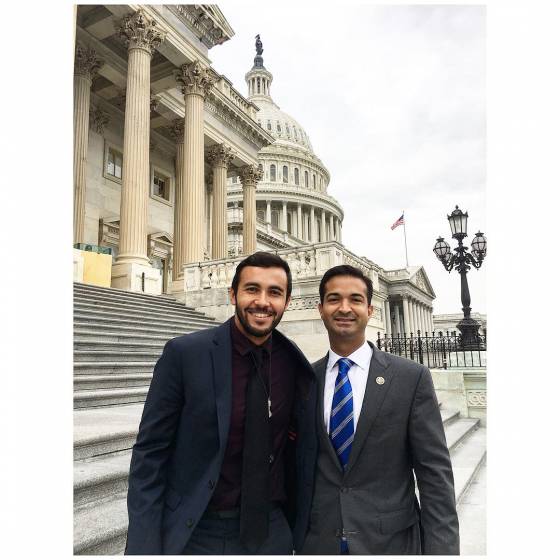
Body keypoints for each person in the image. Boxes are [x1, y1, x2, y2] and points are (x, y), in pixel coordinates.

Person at [125, 252, 317, 555]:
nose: (262, 302)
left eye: (274, 292)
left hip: (272, 531)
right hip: (203, 529)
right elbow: (150, 454)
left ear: (287, 301)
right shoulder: (186, 355)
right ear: (233, 294)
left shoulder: (293, 363)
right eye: (252, 289)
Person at [301, 264, 459, 555]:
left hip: (391, 544)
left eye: (356, 300)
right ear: (320, 308)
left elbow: (434, 476)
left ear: (370, 310)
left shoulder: (411, 378)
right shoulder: (305, 380)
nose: (344, 308)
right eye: (334, 299)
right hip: (319, 543)